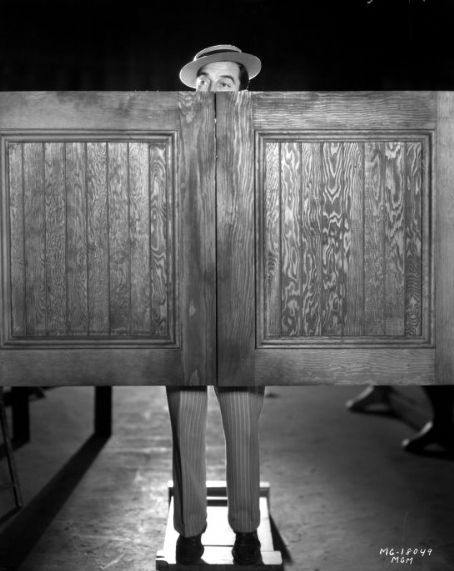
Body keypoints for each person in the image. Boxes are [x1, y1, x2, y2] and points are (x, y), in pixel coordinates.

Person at [166, 45, 264, 566]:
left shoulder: (260, 138)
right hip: (187, 299)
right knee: (186, 421)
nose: (215, 88)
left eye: (227, 80)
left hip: (242, 298)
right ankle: (190, 531)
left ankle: (246, 531)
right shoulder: (172, 137)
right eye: (205, 80)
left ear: (242, 90)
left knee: (243, 422)